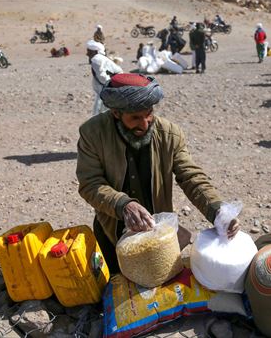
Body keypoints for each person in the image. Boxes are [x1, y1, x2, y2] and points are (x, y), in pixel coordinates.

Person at [76, 73, 240, 273]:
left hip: (160, 236)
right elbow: (90, 183)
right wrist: (123, 204)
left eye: (148, 114)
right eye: (135, 117)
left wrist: (218, 211)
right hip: (113, 230)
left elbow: (191, 177)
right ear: (116, 113)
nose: (144, 124)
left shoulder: (170, 134)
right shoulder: (93, 134)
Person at [87, 40, 123, 116]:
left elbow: (102, 77)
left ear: (95, 52)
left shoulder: (96, 59)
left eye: (89, 52)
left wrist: (110, 86)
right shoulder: (101, 58)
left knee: (102, 113)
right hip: (106, 90)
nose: (87, 54)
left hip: (106, 91)